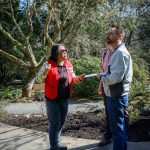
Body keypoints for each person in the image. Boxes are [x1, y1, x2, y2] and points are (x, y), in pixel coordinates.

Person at [36, 44, 85, 150]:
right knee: (54, 123)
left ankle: (57, 144)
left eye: (66, 50)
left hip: (64, 98)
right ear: (56, 53)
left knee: (61, 121)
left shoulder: (68, 64)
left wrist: (79, 78)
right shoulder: (47, 64)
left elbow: (73, 79)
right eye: (63, 50)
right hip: (52, 99)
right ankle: (54, 146)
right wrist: (45, 72)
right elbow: (38, 80)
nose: (65, 52)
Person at [99, 25, 133, 150]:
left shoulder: (119, 53)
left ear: (120, 36)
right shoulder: (116, 52)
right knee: (119, 129)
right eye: (107, 33)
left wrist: (101, 77)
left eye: (111, 34)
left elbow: (115, 78)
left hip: (116, 96)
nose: (107, 36)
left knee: (118, 130)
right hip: (114, 95)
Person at [98, 45, 113, 146]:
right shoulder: (104, 53)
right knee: (108, 112)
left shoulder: (119, 53)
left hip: (116, 88)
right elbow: (103, 71)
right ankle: (108, 136)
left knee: (119, 114)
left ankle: (121, 136)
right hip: (105, 85)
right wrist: (101, 84)